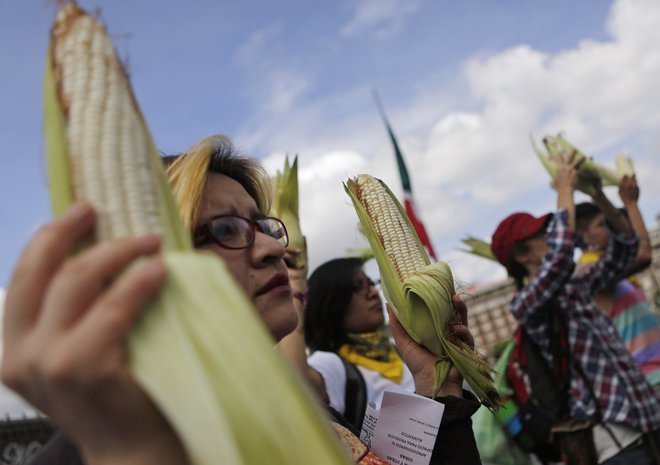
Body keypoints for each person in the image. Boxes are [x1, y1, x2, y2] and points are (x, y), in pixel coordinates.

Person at [2, 135, 481, 465]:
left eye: (263, 225)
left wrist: (434, 385)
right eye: (227, 229)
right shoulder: (99, 446)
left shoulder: (291, 400)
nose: (274, 247)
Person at [490, 151, 660, 465]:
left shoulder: (576, 285)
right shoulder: (527, 306)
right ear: (523, 255)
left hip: (647, 420)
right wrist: (564, 191)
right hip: (616, 442)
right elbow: (558, 257)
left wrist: (600, 197)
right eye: (542, 235)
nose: (551, 237)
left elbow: (626, 247)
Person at [302, 257, 414, 430]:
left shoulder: (399, 348)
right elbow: (299, 384)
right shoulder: (328, 364)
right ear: (331, 304)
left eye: (370, 283)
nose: (372, 292)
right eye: (358, 287)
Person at [574, 175, 660, 390]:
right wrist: (630, 204)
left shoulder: (606, 266)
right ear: (583, 235)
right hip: (649, 377)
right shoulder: (587, 271)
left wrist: (599, 195)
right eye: (602, 225)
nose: (610, 228)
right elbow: (642, 255)